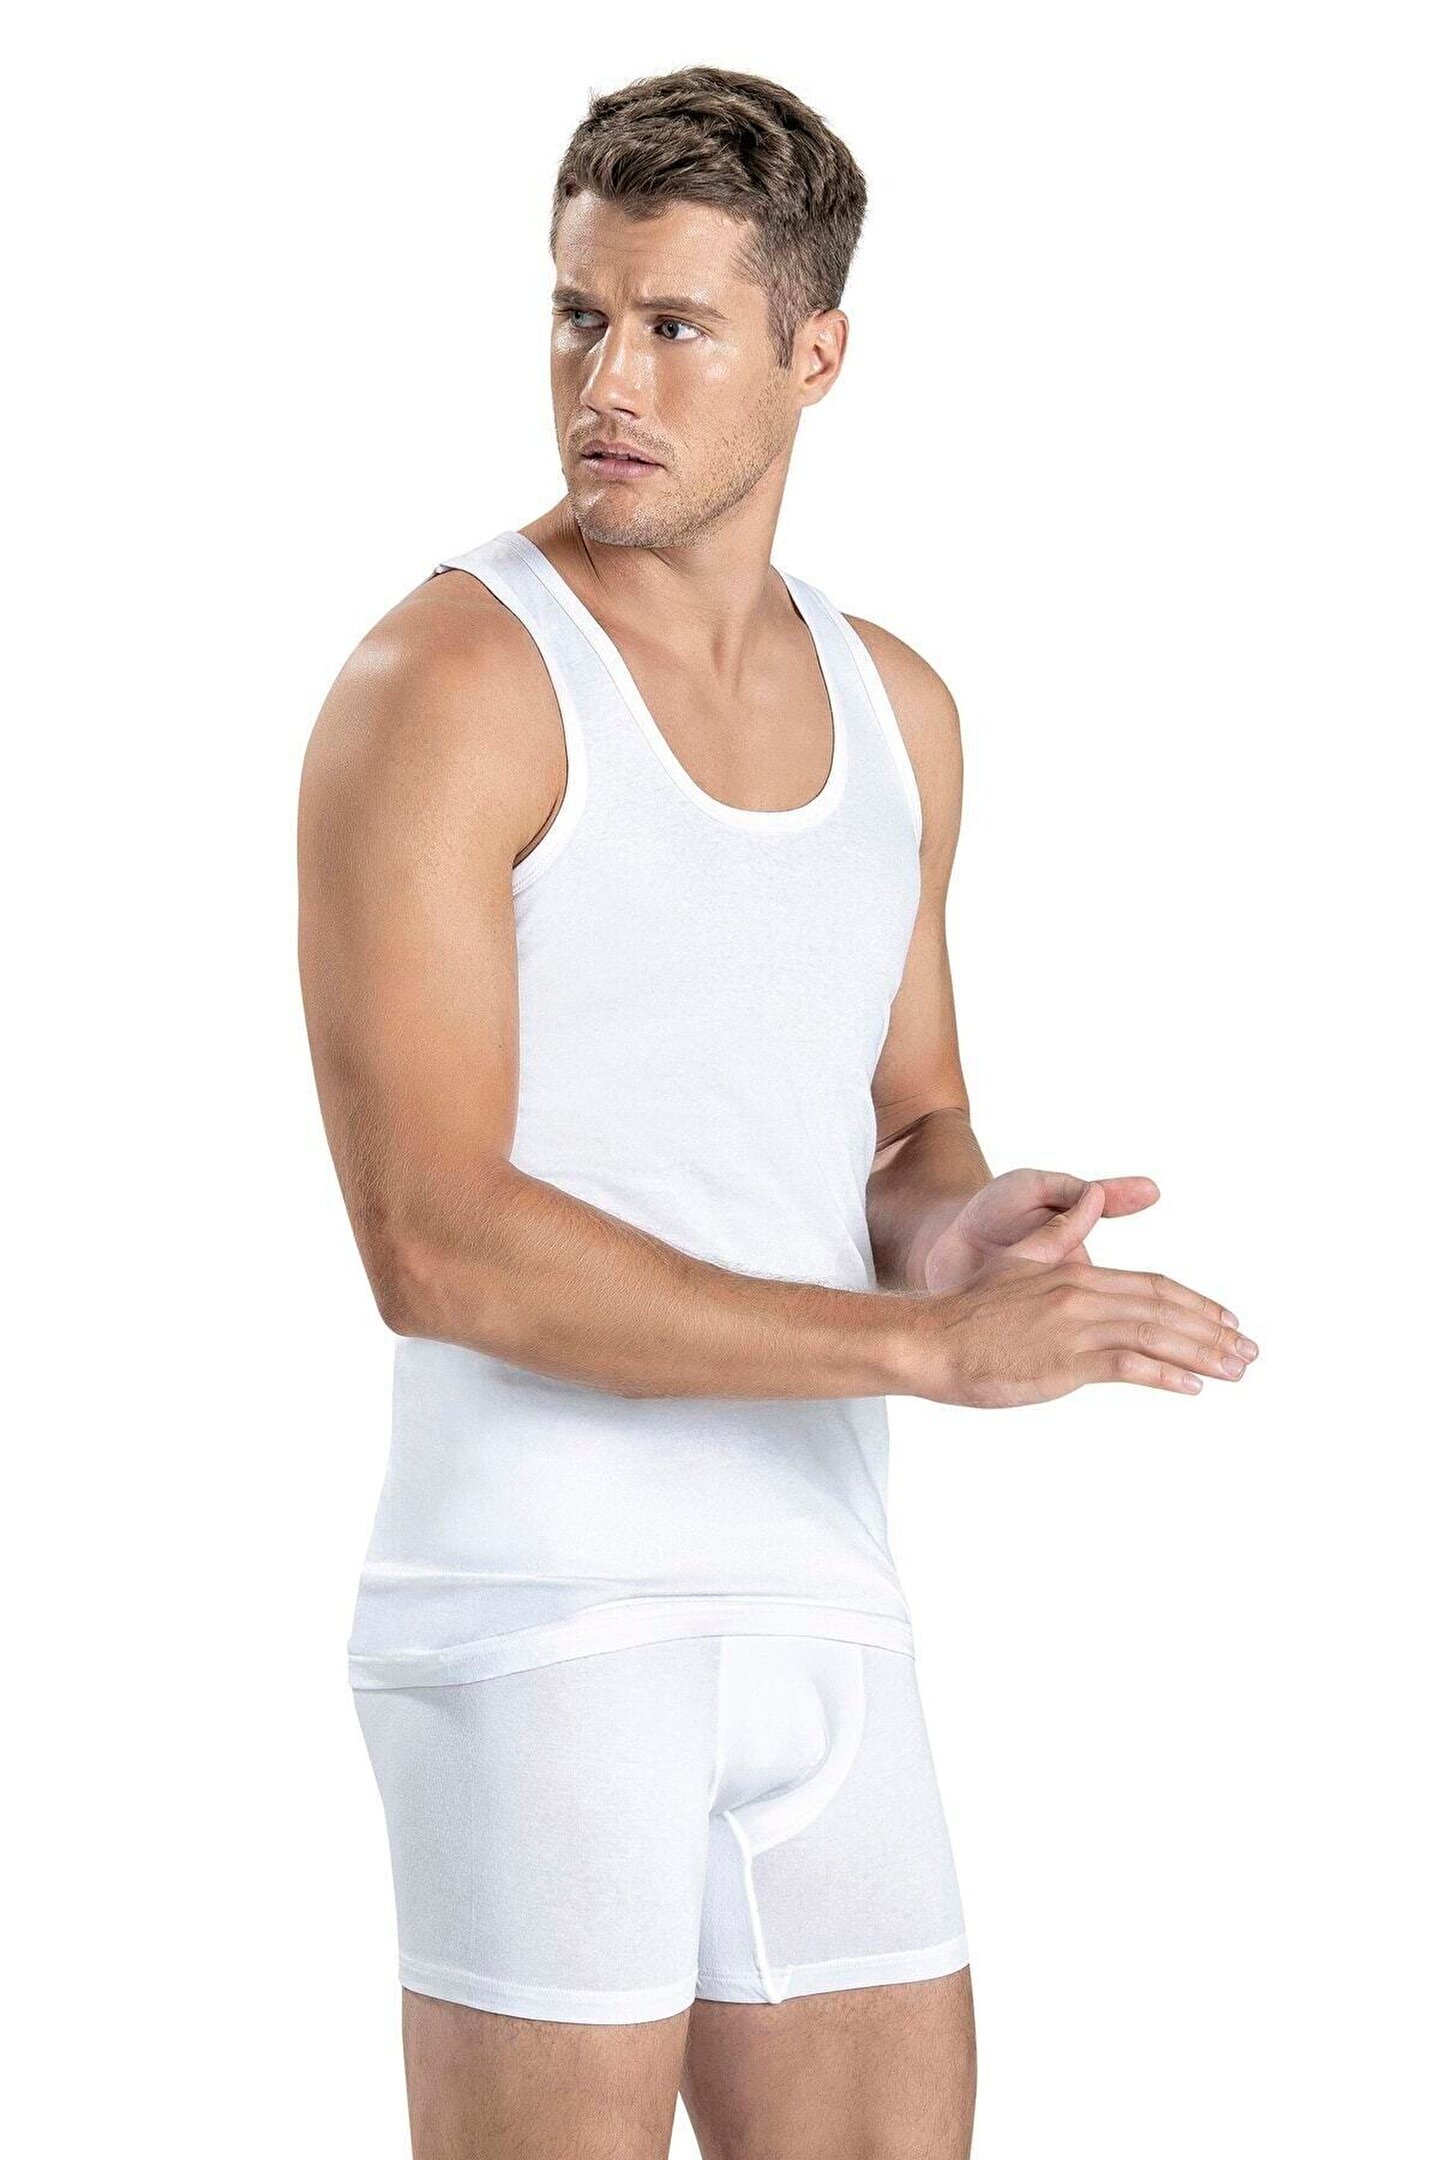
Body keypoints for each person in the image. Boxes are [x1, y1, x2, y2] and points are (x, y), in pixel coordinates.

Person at [297, 63, 1258, 2160]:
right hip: (541, 1615)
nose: (605, 383)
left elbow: (908, 1124)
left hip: (823, 1591)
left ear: (816, 354)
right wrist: (925, 1348)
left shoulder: (897, 709)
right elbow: (430, 1242)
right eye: (578, 316)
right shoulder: (447, 686)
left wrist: (959, 1233)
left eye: (675, 326)